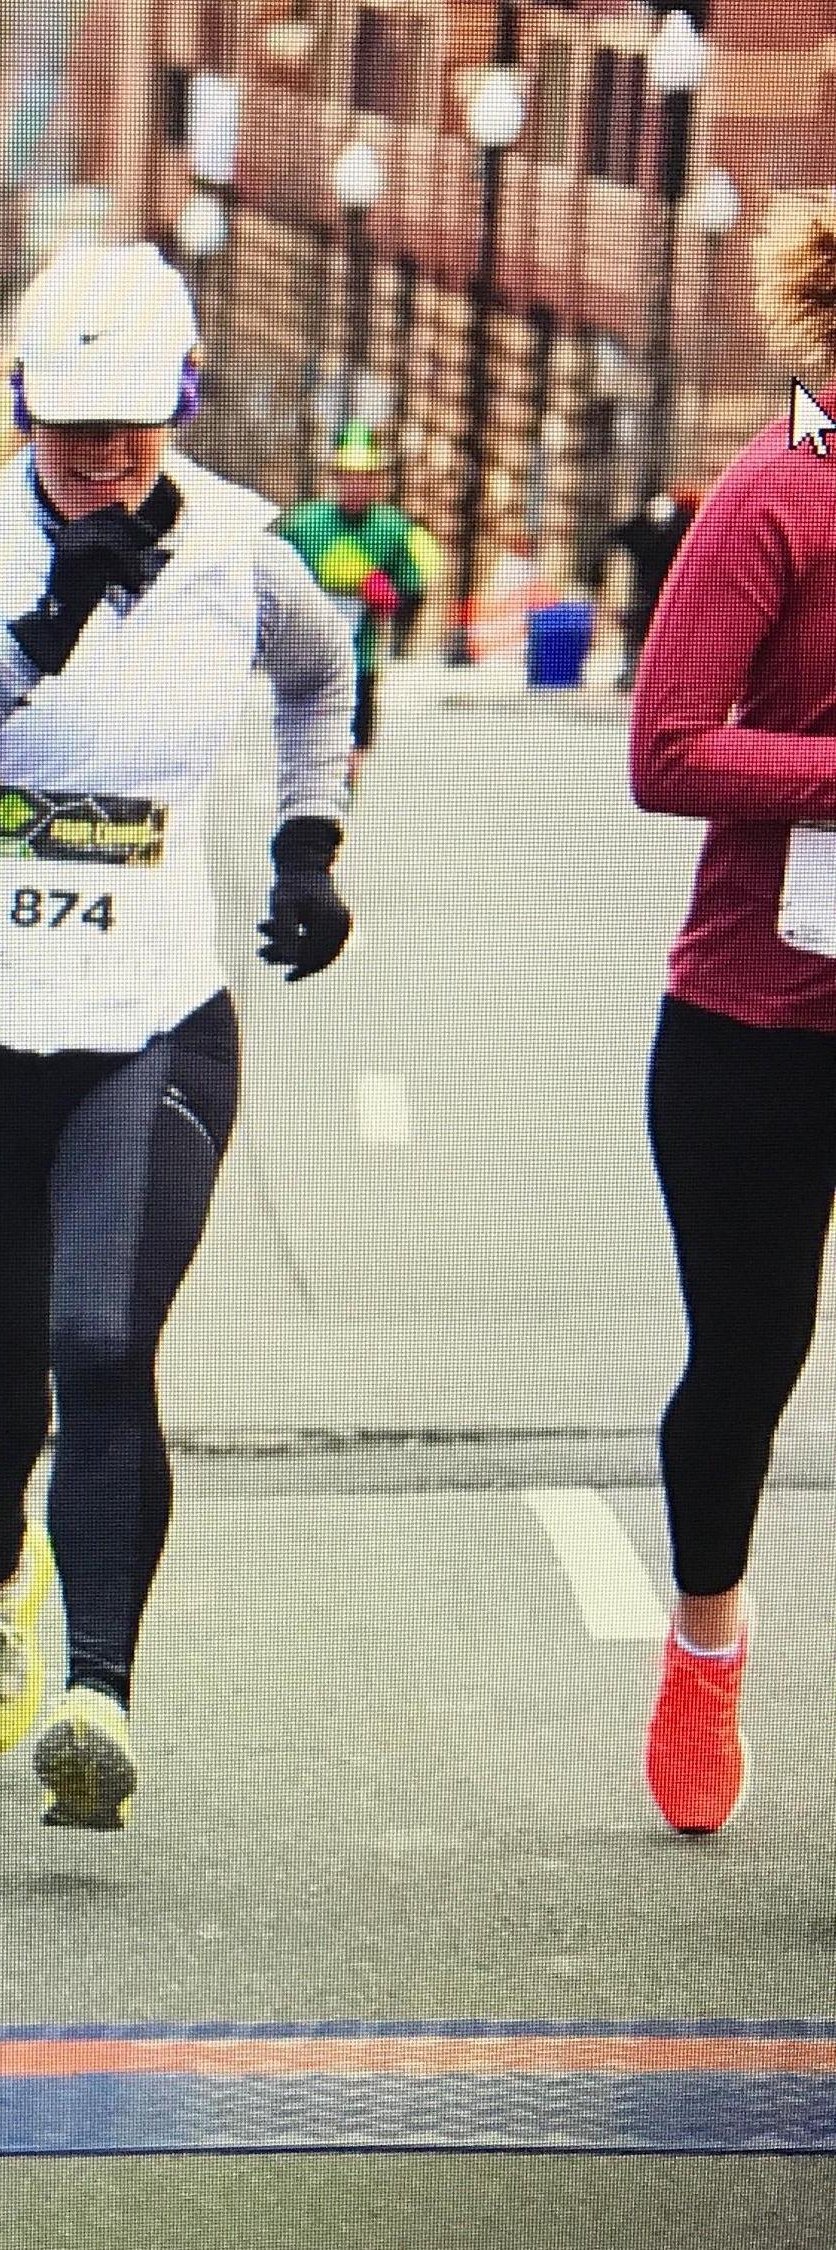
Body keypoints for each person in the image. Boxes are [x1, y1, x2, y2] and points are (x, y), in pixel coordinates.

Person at [0, 241, 355, 1832]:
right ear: (21, 403)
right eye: (70, 425)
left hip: (146, 1023)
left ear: (180, 403)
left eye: (133, 423)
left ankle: (97, 1695)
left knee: (100, 1341)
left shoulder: (241, 555)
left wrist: (307, 841)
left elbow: (319, 675)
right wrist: (22, 644)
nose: (102, 456)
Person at [626, 191, 836, 1838]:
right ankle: (705, 1644)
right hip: (758, 1023)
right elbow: (670, 749)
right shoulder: (774, 499)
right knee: (748, 1364)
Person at [274, 421, 437, 789]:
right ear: (335, 477)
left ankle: (341, 796)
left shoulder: (393, 529)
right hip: (308, 655)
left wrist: (394, 592)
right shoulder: (305, 524)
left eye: (365, 476)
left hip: (361, 657)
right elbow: (271, 573)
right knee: (307, 742)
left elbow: (420, 577)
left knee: (352, 744)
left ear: (378, 479)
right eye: (348, 476)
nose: (356, 486)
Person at [599, 484, 702, 690]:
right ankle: (639, 674)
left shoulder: (682, 524)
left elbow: (621, 536)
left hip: (662, 593)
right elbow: (622, 536)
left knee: (653, 636)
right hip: (655, 593)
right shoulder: (660, 525)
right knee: (643, 635)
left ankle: (649, 675)